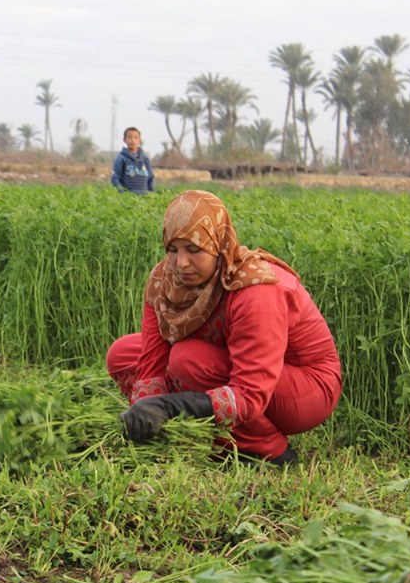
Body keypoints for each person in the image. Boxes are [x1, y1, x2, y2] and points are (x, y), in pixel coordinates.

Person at [107, 190, 341, 464]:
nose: (181, 263)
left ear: (218, 245)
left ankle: (268, 450)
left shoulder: (255, 289)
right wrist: (146, 412)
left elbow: (250, 393)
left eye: (194, 249)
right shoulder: (163, 282)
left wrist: (170, 406)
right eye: (172, 249)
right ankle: (189, 434)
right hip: (226, 361)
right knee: (123, 353)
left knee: (186, 359)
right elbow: (152, 362)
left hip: (304, 389)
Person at [111, 126, 154, 195]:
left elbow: (151, 177)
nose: (133, 140)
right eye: (130, 137)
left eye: (135, 137)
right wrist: (122, 193)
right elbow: (115, 178)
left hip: (144, 197)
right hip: (128, 197)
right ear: (124, 140)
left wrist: (151, 194)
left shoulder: (145, 159)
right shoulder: (121, 158)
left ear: (139, 140)